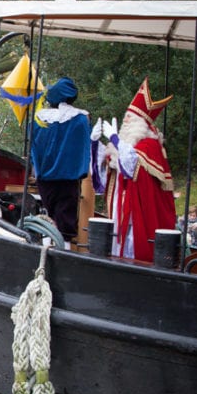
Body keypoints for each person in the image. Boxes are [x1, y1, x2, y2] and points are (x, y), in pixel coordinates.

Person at [92, 77, 176, 261]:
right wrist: (94, 143)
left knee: (131, 242)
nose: (125, 121)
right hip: (121, 203)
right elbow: (108, 174)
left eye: (130, 118)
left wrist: (115, 139)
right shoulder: (127, 144)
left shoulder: (149, 146)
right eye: (126, 118)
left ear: (141, 124)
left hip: (139, 207)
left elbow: (131, 168)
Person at [30, 77, 91, 247]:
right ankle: (63, 250)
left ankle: (47, 246)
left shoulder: (38, 120)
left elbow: (34, 147)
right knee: (65, 217)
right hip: (68, 177)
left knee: (49, 213)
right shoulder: (79, 120)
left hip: (45, 178)